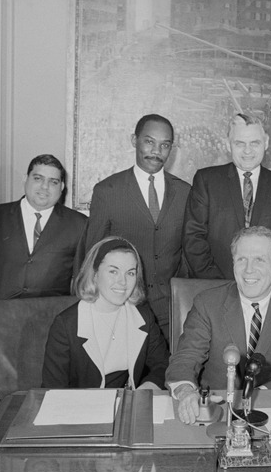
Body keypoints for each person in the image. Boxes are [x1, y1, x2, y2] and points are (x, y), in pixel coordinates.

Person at [167, 226, 271, 424]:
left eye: (259, 260)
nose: (249, 269)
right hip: (213, 411)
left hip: (269, 412)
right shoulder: (207, 303)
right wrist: (186, 392)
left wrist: (258, 395)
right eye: (241, 259)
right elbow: (186, 357)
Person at [74, 114, 191, 346]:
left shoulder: (187, 192)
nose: (156, 151)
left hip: (171, 312)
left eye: (165, 145)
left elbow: (188, 255)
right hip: (122, 307)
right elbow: (93, 257)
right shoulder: (107, 191)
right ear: (133, 140)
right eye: (149, 142)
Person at [183, 113, 271, 282]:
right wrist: (217, 284)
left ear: (266, 143)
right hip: (215, 288)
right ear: (228, 145)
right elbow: (193, 238)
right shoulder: (206, 181)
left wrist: (269, 284)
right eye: (240, 143)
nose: (247, 151)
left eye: (255, 143)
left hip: (266, 290)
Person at [42, 237, 168, 390]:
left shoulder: (142, 315)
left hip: (128, 404)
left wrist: (145, 390)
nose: (123, 282)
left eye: (130, 273)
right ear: (94, 274)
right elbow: (53, 389)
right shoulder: (66, 324)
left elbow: (163, 364)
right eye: (113, 271)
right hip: (80, 407)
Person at [0, 154, 87, 300]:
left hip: (50, 318)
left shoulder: (78, 224)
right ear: (25, 179)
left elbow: (81, 283)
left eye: (53, 182)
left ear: (61, 187)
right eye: (38, 178)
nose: (44, 187)